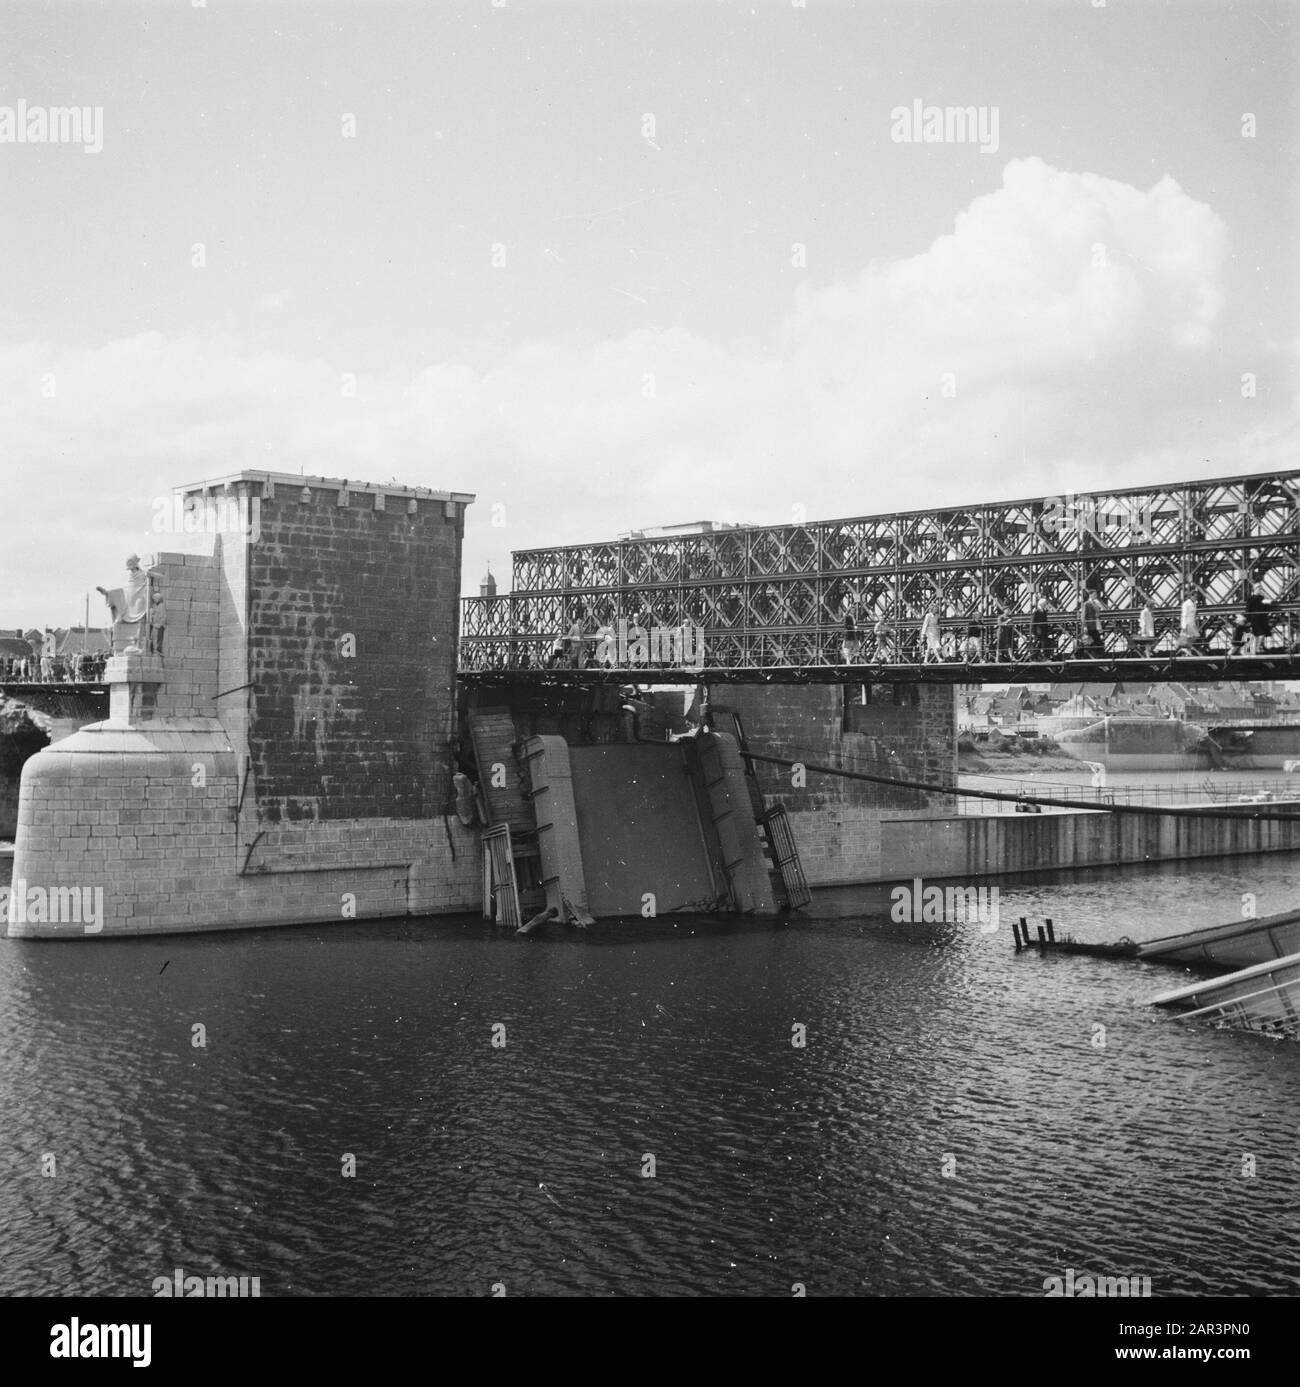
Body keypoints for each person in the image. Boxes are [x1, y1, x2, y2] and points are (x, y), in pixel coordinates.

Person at [1243, 584, 1274, 656]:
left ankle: (1256, 648)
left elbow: (1264, 607)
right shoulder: (1251, 598)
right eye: (1259, 588)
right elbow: (1248, 609)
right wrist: (1248, 620)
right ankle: (1256, 648)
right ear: (1255, 589)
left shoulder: (1261, 597)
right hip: (1255, 619)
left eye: (1260, 589)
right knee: (1260, 633)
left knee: (1258, 634)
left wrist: (1266, 603)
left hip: (1261, 619)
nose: (1260, 590)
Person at [1079, 588, 1103, 657]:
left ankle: (1093, 654)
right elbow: (1083, 616)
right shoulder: (1086, 604)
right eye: (1095, 594)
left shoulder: (1095, 603)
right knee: (1093, 640)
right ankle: (1092, 654)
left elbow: (1099, 611)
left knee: (1094, 640)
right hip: (1090, 625)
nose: (1096, 596)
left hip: (1095, 625)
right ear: (1090, 595)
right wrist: (1085, 626)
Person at [1177, 589, 1200, 655]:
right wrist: (1184, 626)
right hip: (1187, 622)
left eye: (1196, 597)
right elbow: (1184, 615)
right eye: (1195, 596)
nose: (1196, 598)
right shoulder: (1186, 604)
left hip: (1192, 622)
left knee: (1195, 636)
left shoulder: (1194, 604)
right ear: (1191, 596)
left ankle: (1187, 648)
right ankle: (1186, 648)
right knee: (1189, 636)